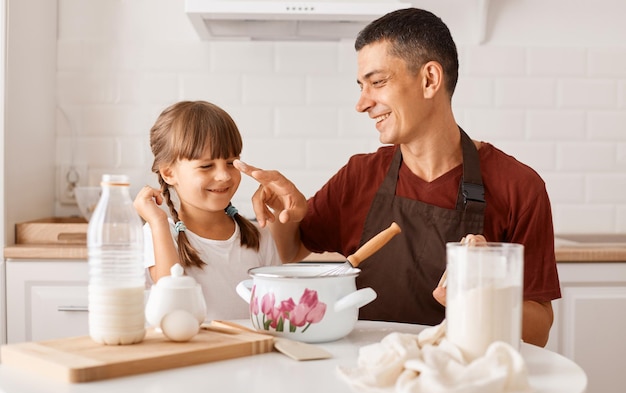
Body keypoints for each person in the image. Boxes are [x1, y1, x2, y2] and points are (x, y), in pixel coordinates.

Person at [234, 7, 561, 347]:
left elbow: (538, 332)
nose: (362, 103)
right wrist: (289, 214)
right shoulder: (359, 175)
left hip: (459, 384)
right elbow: (291, 250)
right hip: (366, 373)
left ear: (429, 80)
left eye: (377, 82)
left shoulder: (519, 187)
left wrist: (480, 292)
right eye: (362, 86)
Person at [134, 100, 281, 320]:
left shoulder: (258, 236)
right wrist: (156, 222)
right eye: (206, 166)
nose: (223, 175)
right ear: (169, 173)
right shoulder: (160, 234)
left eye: (231, 162)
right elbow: (170, 299)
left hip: (251, 352)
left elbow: (276, 310)